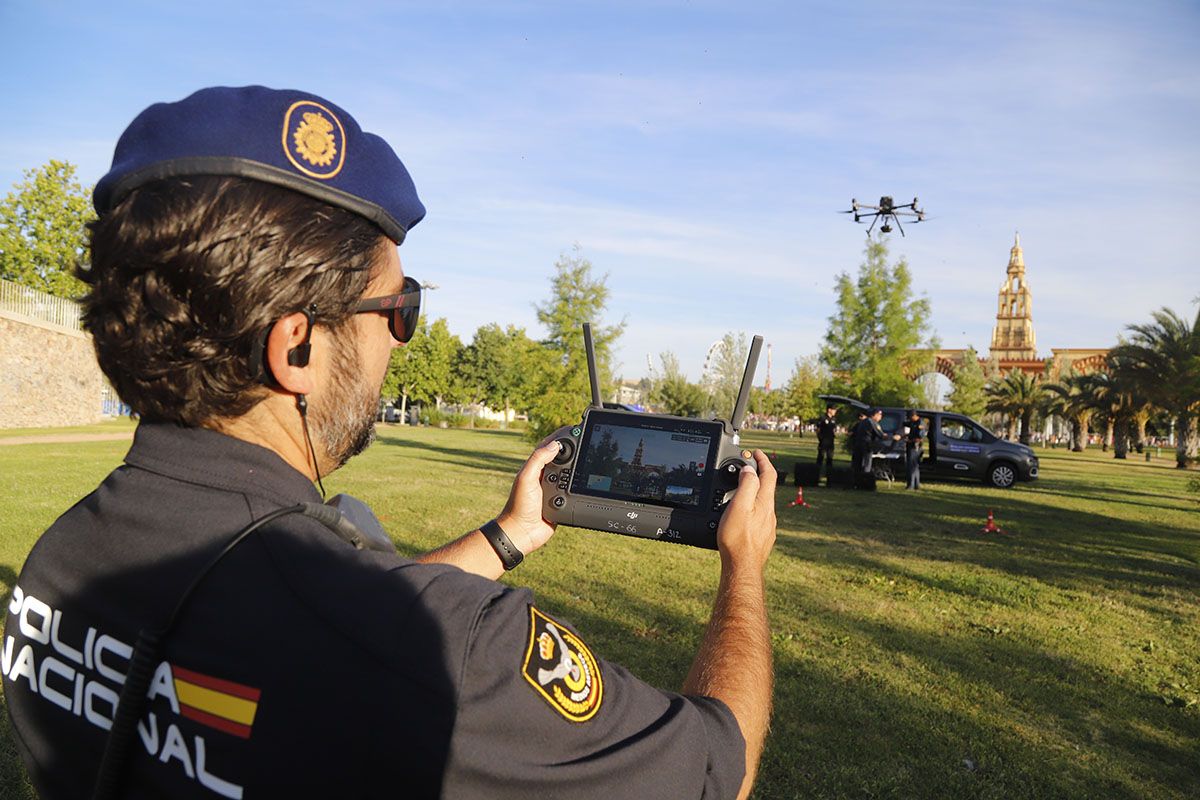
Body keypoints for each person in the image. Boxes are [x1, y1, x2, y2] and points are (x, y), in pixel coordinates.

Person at [2, 87, 777, 800]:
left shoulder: (61, 562)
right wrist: (743, 569)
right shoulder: (461, 646)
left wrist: (509, 536)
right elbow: (717, 767)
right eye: (399, 309)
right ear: (295, 349)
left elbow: (351, 623)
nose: (400, 343)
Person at [815, 405, 838, 484]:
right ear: (829, 410)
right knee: (820, 459)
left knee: (830, 459)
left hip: (830, 442)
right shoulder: (822, 418)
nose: (835, 412)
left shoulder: (834, 419)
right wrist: (820, 437)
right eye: (834, 410)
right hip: (823, 441)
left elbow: (834, 429)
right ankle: (816, 477)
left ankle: (829, 478)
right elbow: (818, 429)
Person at [904, 410, 924, 490]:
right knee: (915, 466)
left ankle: (911, 485)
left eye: (910, 417)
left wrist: (910, 441)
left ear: (914, 416)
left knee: (912, 466)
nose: (909, 419)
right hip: (911, 446)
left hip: (915, 447)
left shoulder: (920, 424)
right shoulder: (913, 423)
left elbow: (919, 438)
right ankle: (916, 485)